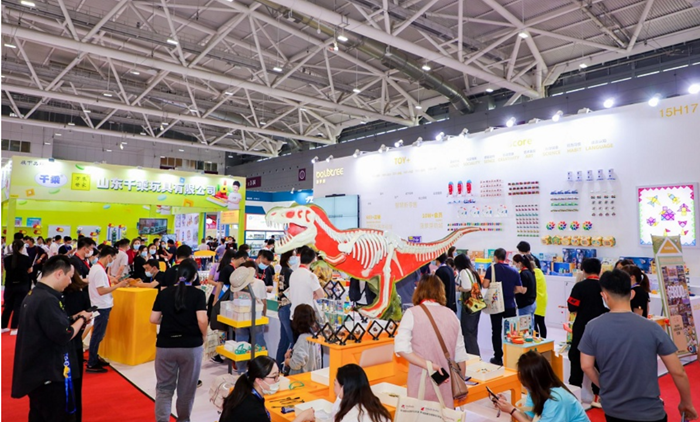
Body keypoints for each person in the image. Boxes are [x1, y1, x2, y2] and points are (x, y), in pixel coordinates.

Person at [579, 269, 697, 422]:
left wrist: (606, 386)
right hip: (650, 412)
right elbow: (678, 371)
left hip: (613, 410)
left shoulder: (592, 326)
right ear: (632, 294)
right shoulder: (652, 328)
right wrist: (686, 403)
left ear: (604, 296)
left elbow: (586, 366)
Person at [11, 255, 94, 421]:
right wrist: (81, 319)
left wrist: (71, 318)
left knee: (39, 414)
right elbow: (64, 334)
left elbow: (50, 324)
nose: (69, 282)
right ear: (59, 274)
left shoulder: (36, 294)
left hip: (38, 373)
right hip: (49, 375)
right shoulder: (47, 299)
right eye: (69, 277)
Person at [395, 274, 469, 409]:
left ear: (419, 290)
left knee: (421, 415)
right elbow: (460, 356)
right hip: (446, 383)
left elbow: (401, 348)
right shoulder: (451, 315)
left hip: (421, 381)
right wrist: (461, 383)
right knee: (445, 415)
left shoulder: (412, 313)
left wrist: (429, 365)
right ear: (441, 291)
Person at [150, 260, 208, 422]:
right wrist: (204, 335)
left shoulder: (164, 293)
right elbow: (202, 319)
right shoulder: (198, 294)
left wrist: (168, 320)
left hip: (165, 345)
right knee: (187, 389)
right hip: (191, 346)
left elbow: (153, 319)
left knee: (164, 389)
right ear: (194, 276)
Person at [494, 351, 589, 422]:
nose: (522, 381)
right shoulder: (534, 389)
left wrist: (512, 410)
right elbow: (528, 418)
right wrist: (507, 406)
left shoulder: (556, 400)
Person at [219, 356, 315, 422]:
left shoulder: (245, 392)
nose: (278, 380)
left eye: (278, 375)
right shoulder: (253, 409)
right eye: (274, 377)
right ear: (259, 380)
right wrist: (302, 417)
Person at [567, 257, 607, 407]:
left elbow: (572, 307)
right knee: (600, 360)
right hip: (602, 328)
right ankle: (600, 395)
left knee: (576, 358)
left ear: (583, 270)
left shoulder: (580, 287)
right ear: (600, 270)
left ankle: (574, 395)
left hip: (582, 328)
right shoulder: (605, 287)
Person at [87, 246, 129, 373]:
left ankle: (94, 358)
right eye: (113, 259)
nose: (113, 261)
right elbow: (101, 290)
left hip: (101, 305)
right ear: (109, 257)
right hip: (101, 306)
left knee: (98, 334)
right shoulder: (99, 270)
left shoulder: (97, 268)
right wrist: (118, 285)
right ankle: (92, 362)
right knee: (98, 335)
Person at [483, 248, 524, 366]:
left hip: (496, 304)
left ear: (495, 257)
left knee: (496, 331)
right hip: (510, 304)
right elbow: (519, 289)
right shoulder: (514, 271)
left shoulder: (491, 269)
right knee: (511, 332)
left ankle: (498, 357)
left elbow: (485, 285)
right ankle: (512, 356)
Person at [63, 271, 92, 422]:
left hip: (61, 347)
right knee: (74, 386)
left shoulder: (56, 298)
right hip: (73, 345)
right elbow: (88, 319)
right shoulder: (81, 296)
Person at [230, 266, 269, 374]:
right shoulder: (260, 283)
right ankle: (262, 368)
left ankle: (241, 370)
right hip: (256, 316)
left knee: (241, 343)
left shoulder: (237, 286)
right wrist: (264, 315)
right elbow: (264, 302)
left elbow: (234, 302)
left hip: (241, 317)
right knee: (258, 343)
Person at [2, 240, 33, 334]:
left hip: (9, 284)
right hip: (22, 284)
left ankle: (3, 326)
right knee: (18, 306)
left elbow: (6, 269)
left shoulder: (7, 259)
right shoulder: (26, 258)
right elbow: (30, 270)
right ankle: (14, 328)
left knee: (8, 306)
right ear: (22, 248)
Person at [454, 253, 483, 356]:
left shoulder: (463, 271)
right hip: (477, 303)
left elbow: (467, 287)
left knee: (467, 333)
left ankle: (473, 356)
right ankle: (475, 355)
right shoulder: (472, 271)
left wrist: (458, 288)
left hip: (469, 304)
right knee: (472, 332)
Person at [288, 246, 324, 318]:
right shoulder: (311, 276)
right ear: (313, 260)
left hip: (294, 313)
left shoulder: (293, 273)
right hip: (306, 314)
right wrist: (312, 295)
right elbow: (321, 294)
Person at [285, 304, 321, 375]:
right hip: (312, 376)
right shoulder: (316, 336)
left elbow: (296, 364)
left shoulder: (302, 338)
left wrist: (287, 361)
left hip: (300, 378)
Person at [276, 250, 296, 365]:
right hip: (287, 307)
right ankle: (289, 366)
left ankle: (278, 366)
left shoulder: (283, 270)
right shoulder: (289, 271)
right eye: (293, 256)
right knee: (292, 340)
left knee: (284, 341)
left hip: (281, 307)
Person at [513, 254, 537, 330]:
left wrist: (512, 291)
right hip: (532, 303)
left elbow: (523, 290)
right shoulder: (530, 272)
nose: (515, 266)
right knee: (530, 326)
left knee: (525, 329)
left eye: (515, 263)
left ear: (519, 263)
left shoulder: (523, 274)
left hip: (525, 305)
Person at [531, 256, 548, 338]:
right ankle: (544, 341)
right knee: (541, 322)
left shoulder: (531, 273)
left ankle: (536, 341)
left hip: (535, 300)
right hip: (542, 300)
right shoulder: (540, 272)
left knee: (534, 324)